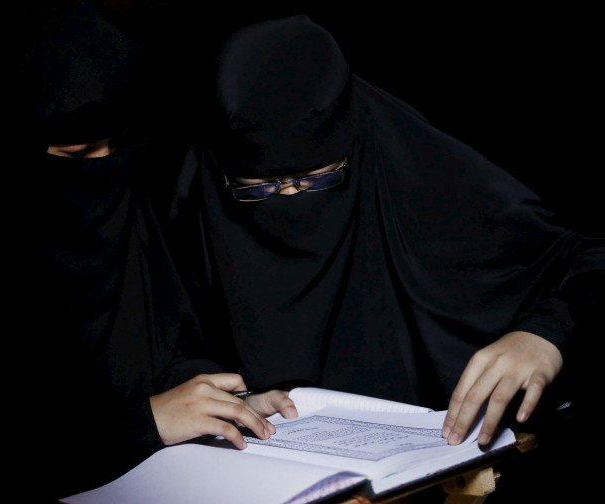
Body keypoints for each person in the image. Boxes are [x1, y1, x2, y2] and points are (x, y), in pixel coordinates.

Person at [164, 13, 603, 501]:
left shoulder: (421, 175)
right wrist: (231, 398)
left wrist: (544, 333)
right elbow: (163, 346)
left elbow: (587, 260)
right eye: (260, 187)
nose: (290, 198)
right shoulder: (186, 205)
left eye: (316, 180)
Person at [0, 2, 295, 503]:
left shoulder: (133, 213)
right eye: (76, 156)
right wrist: (142, 423)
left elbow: (161, 345)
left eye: (115, 146)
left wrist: (227, 401)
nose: (103, 168)